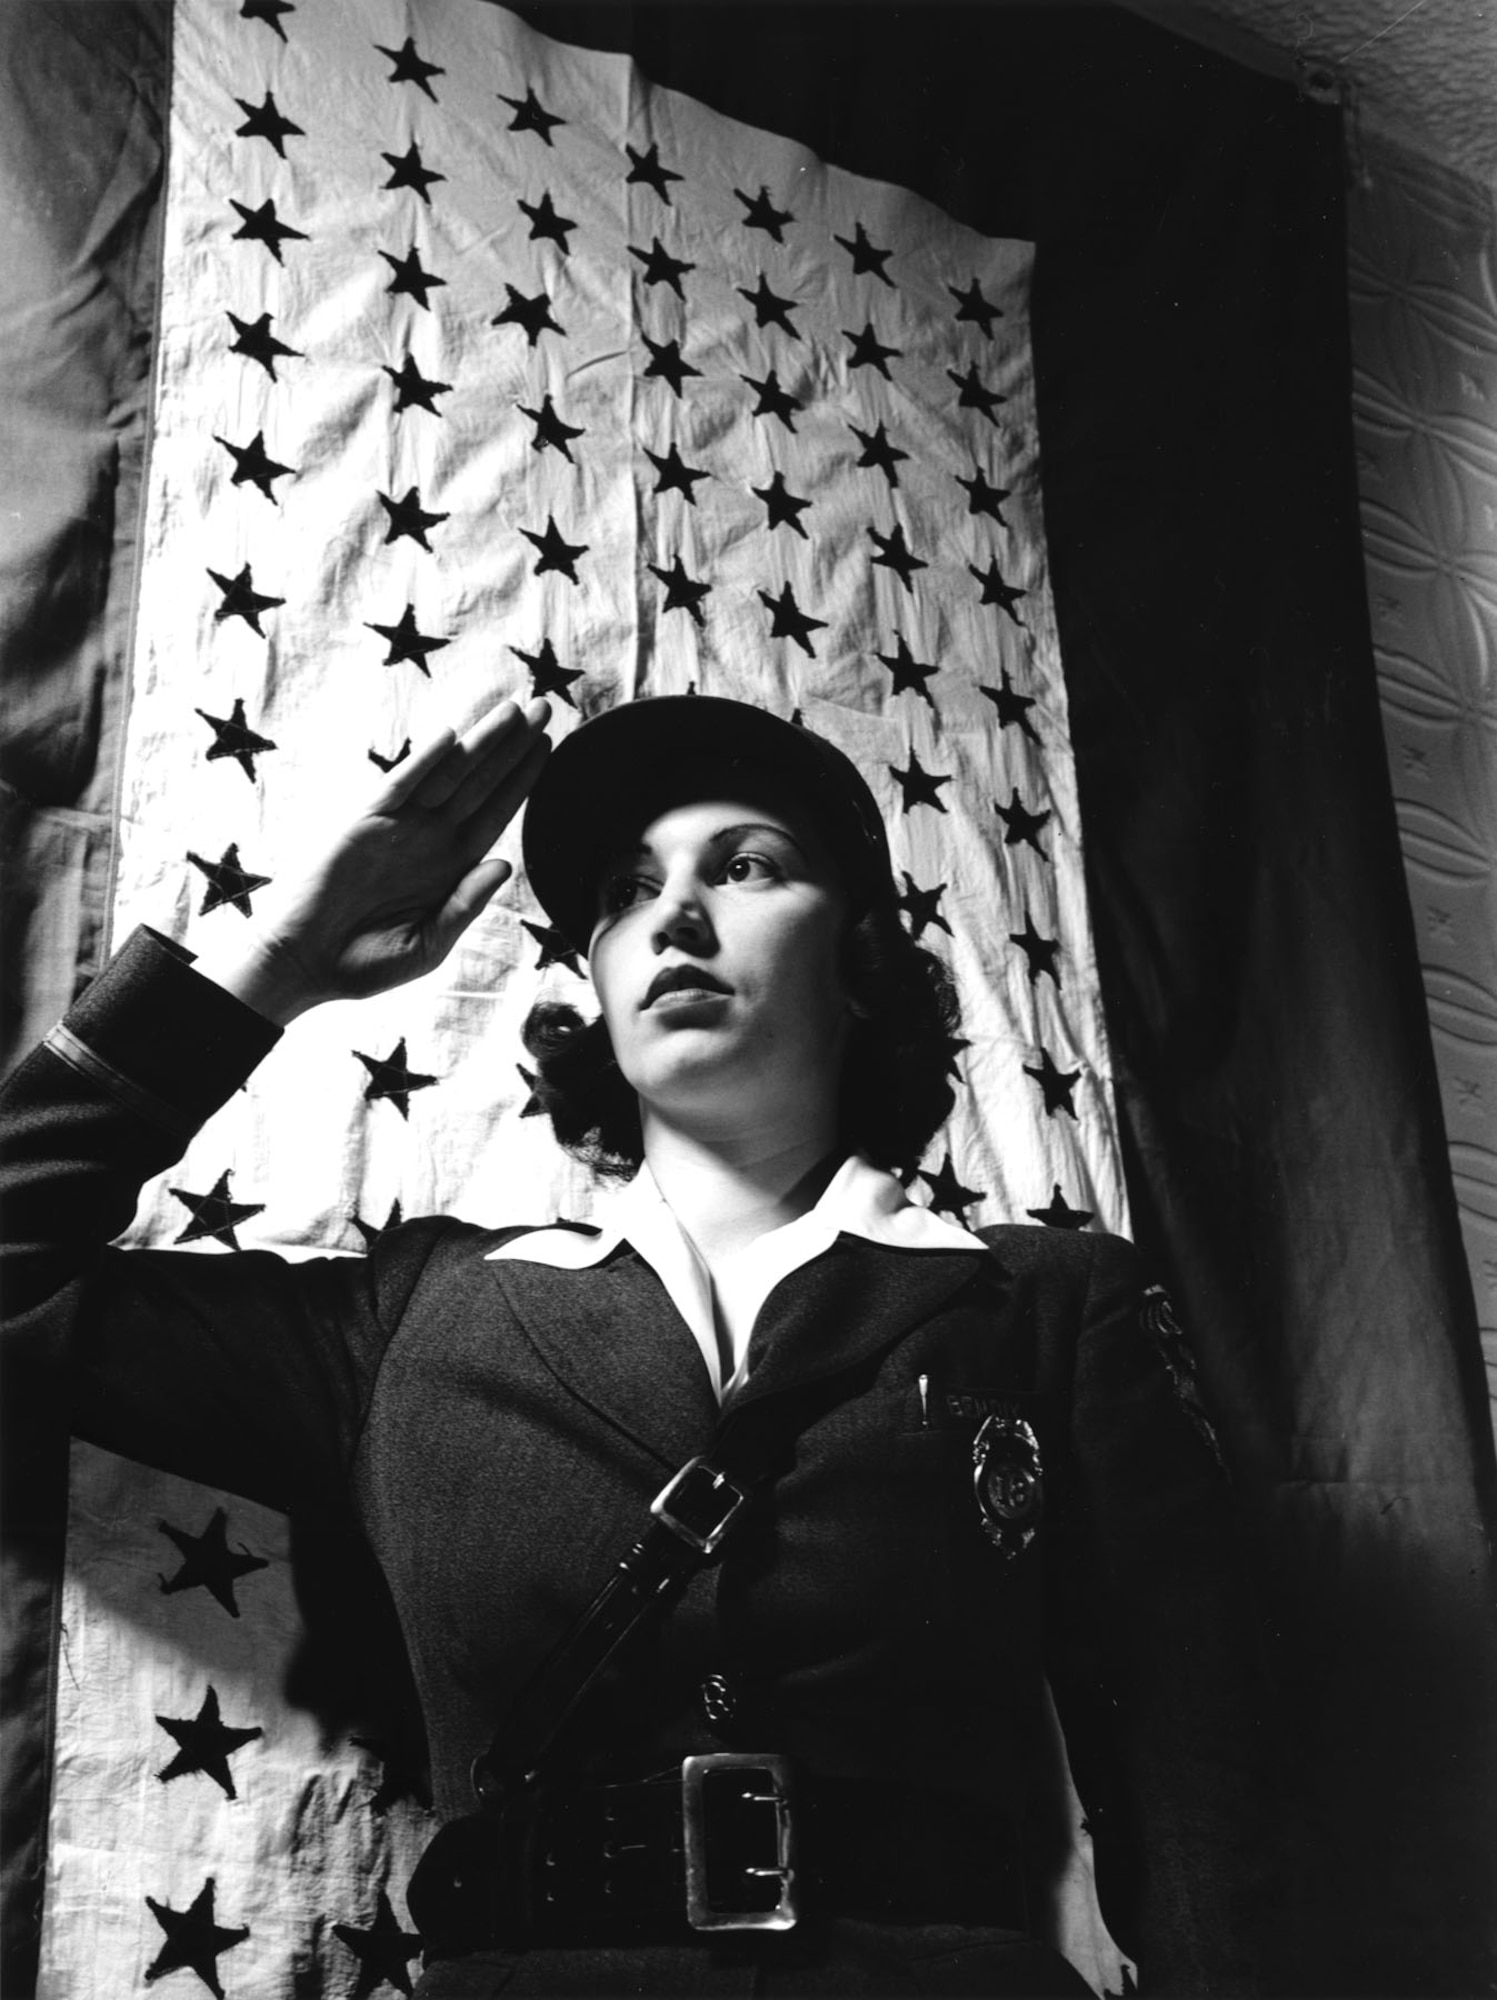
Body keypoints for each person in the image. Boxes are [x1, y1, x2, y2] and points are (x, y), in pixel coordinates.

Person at [0, 692, 1271, 1998]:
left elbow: (1203, 1789)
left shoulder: (1046, 1305)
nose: (674, 913)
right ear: (593, 990)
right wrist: (272, 965)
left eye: (747, 865)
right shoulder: (412, 1314)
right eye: (623, 892)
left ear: (857, 956)